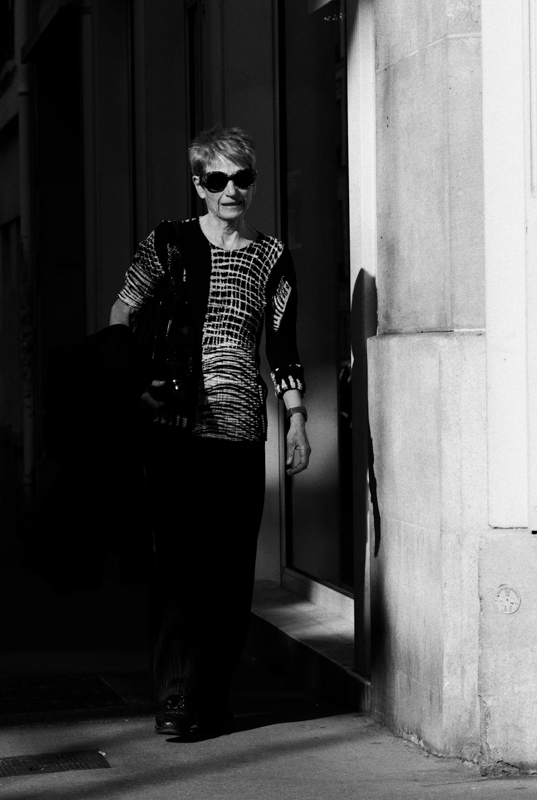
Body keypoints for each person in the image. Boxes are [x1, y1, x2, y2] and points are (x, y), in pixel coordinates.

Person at [109, 125, 311, 737]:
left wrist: (297, 415)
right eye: (218, 180)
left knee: (228, 575)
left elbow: (281, 344)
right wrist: (136, 381)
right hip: (174, 430)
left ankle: (212, 696)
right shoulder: (168, 245)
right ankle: (174, 699)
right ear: (199, 185)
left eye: (242, 179)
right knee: (177, 568)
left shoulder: (271, 256)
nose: (231, 191)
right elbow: (123, 311)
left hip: (242, 437)